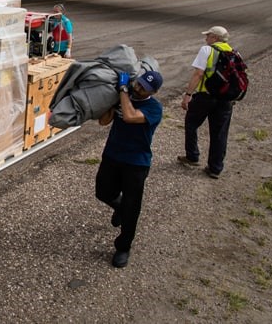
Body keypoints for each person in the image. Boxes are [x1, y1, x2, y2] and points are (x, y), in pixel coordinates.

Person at [96, 69, 163, 268]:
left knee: (132, 209)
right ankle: (119, 206)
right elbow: (103, 121)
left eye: (144, 88)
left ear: (153, 92)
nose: (138, 88)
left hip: (136, 163)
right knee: (102, 192)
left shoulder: (154, 108)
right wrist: (111, 101)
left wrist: (123, 91)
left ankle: (123, 247)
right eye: (139, 83)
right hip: (112, 155)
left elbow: (130, 117)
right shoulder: (123, 98)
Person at [179, 26, 234, 179]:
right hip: (225, 100)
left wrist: (188, 94)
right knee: (219, 133)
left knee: (191, 123)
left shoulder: (207, 50)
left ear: (215, 38)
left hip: (206, 96)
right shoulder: (233, 53)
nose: (206, 38)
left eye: (208, 35)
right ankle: (215, 168)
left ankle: (192, 156)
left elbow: (198, 74)